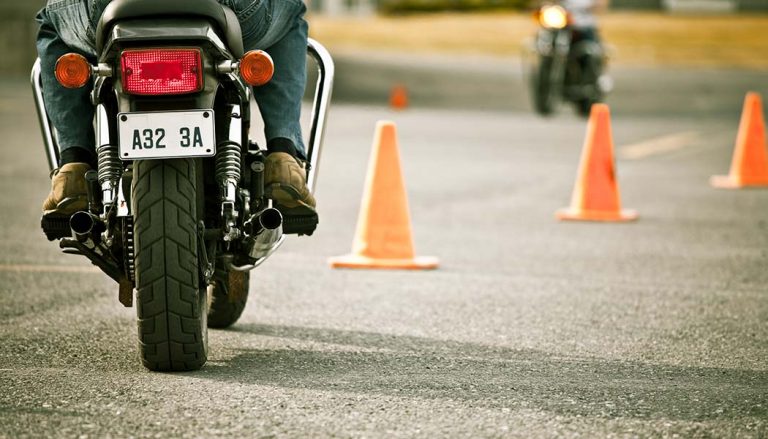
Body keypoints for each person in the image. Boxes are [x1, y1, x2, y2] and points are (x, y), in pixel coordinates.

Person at [37, 0, 316, 220]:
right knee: (289, 10)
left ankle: (74, 165)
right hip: (231, 6)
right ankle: (283, 155)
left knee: (53, 21)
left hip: (108, 7)